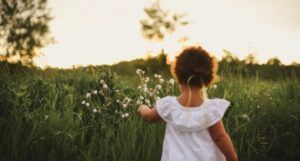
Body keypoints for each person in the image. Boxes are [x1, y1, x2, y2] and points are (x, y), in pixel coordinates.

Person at [137, 46, 238, 161]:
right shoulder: (210, 109)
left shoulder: (169, 106)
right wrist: (232, 158)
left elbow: (149, 117)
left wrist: (142, 108)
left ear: (178, 75)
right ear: (207, 80)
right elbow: (220, 137)